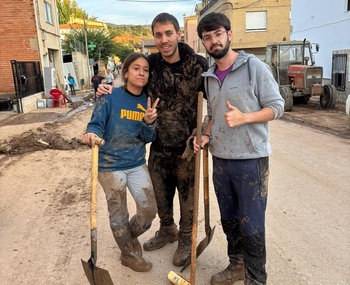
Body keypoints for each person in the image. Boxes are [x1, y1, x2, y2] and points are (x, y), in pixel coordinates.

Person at [96, 12, 208, 267]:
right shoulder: (151, 64)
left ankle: (185, 240)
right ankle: (167, 230)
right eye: (158, 35)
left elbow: (213, 98)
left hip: (186, 148)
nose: (164, 39)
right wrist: (106, 89)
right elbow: (131, 86)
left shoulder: (198, 65)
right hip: (158, 145)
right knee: (159, 196)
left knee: (187, 198)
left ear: (178, 34)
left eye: (168, 33)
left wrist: (204, 131)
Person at [193, 13, 285, 285]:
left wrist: (245, 117)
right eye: (207, 38)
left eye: (217, 34)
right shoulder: (208, 77)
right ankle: (236, 266)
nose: (213, 41)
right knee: (230, 221)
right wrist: (206, 136)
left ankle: (255, 279)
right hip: (221, 160)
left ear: (229, 35)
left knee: (252, 226)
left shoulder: (253, 66)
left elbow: (277, 107)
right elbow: (213, 115)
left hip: (251, 160)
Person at [82, 53, 160, 272]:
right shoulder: (109, 97)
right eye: (136, 68)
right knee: (119, 213)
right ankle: (127, 253)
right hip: (108, 165)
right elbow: (96, 124)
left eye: (145, 70)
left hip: (135, 163)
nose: (141, 73)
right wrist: (91, 134)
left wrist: (149, 122)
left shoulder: (148, 101)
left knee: (149, 210)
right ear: (126, 72)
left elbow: (148, 138)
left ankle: (126, 236)